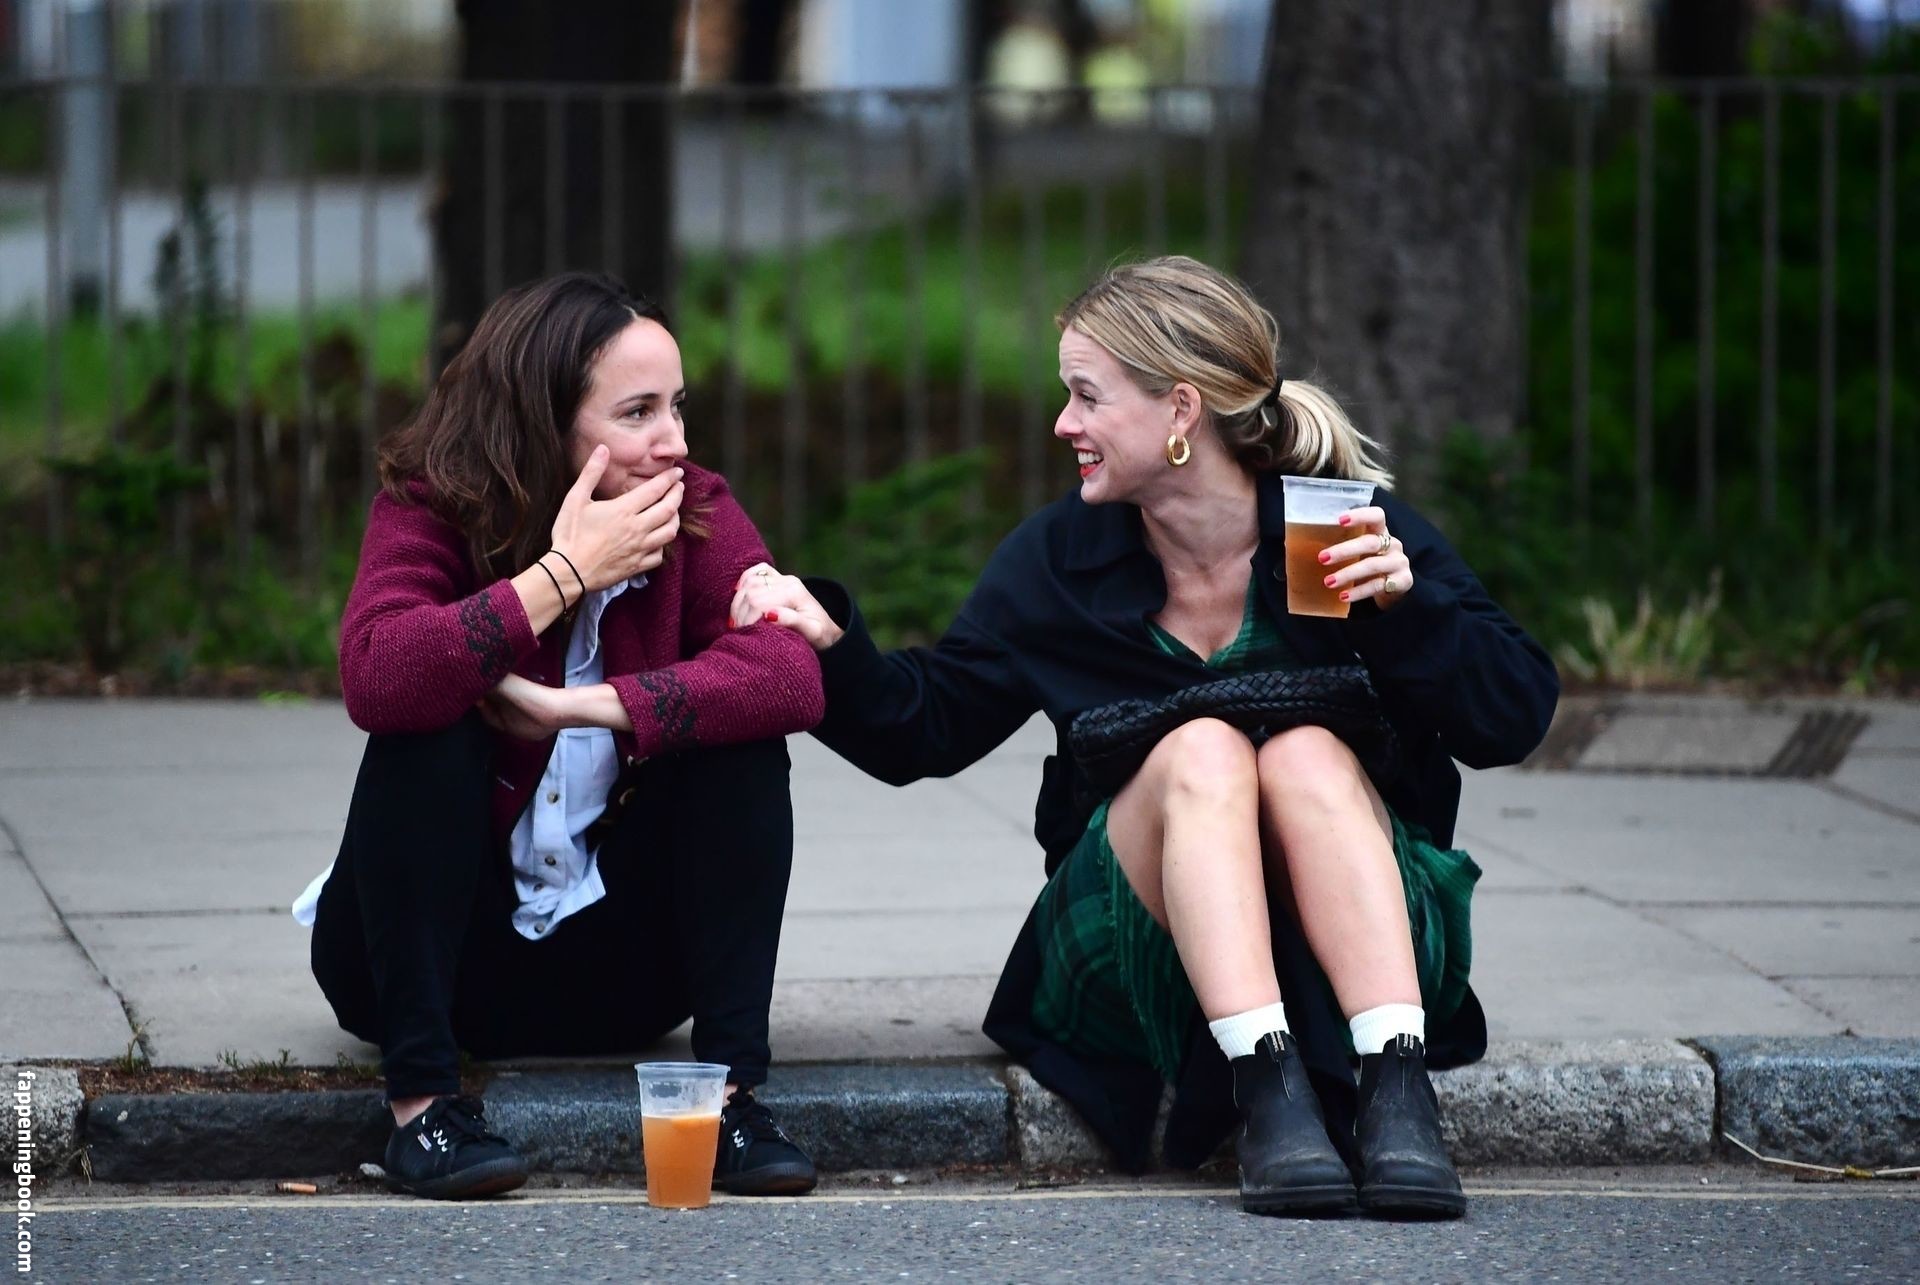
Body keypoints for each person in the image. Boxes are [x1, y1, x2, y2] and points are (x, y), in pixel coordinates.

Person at [730, 256, 1558, 1220]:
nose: (1063, 424)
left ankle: (1397, 1087)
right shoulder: (1062, 563)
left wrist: (1409, 613)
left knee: (1302, 749)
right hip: (1141, 941)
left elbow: (1512, 716)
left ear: (1180, 410)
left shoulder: (1330, 536)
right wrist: (829, 642)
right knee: (1203, 747)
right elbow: (927, 725)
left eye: (1087, 396)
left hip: (1365, 934)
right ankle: (1269, 1092)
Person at [290, 272, 825, 1200]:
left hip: (623, 972)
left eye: (678, 406)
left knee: (740, 737)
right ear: (544, 422)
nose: (675, 440)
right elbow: (376, 670)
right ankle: (421, 1112)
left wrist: (580, 706)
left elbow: (790, 677)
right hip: (435, 969)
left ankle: (730, 1103)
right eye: (639, 412)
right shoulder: (432, 504)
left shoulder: (692, 506)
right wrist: (565, 574)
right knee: (428, 719)